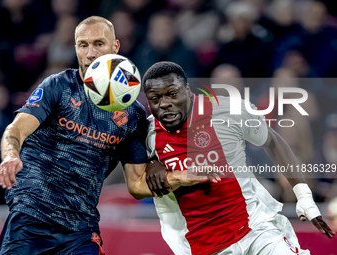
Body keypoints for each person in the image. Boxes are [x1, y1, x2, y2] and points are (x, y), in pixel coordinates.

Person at [0, 16, 211, 255]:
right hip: (30, 217)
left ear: (115, 47)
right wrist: (9, 156)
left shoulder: (133, 116)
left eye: (98, 43)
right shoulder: (58, 86)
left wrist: (178, 178)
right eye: (83, 45)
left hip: (80, 229)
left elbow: (137, 185)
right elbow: (15, 129)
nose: (90, 53)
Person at [141, 61, 334, 255]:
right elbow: (134, 184)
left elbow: (272, 140)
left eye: (172, 94)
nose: (164, 103)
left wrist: (304, 196)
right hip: (205, 247)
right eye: (155, 98)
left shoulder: (227, 110)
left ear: (188, 90)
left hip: (256, 231)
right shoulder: (146, 136)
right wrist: (150, 165)